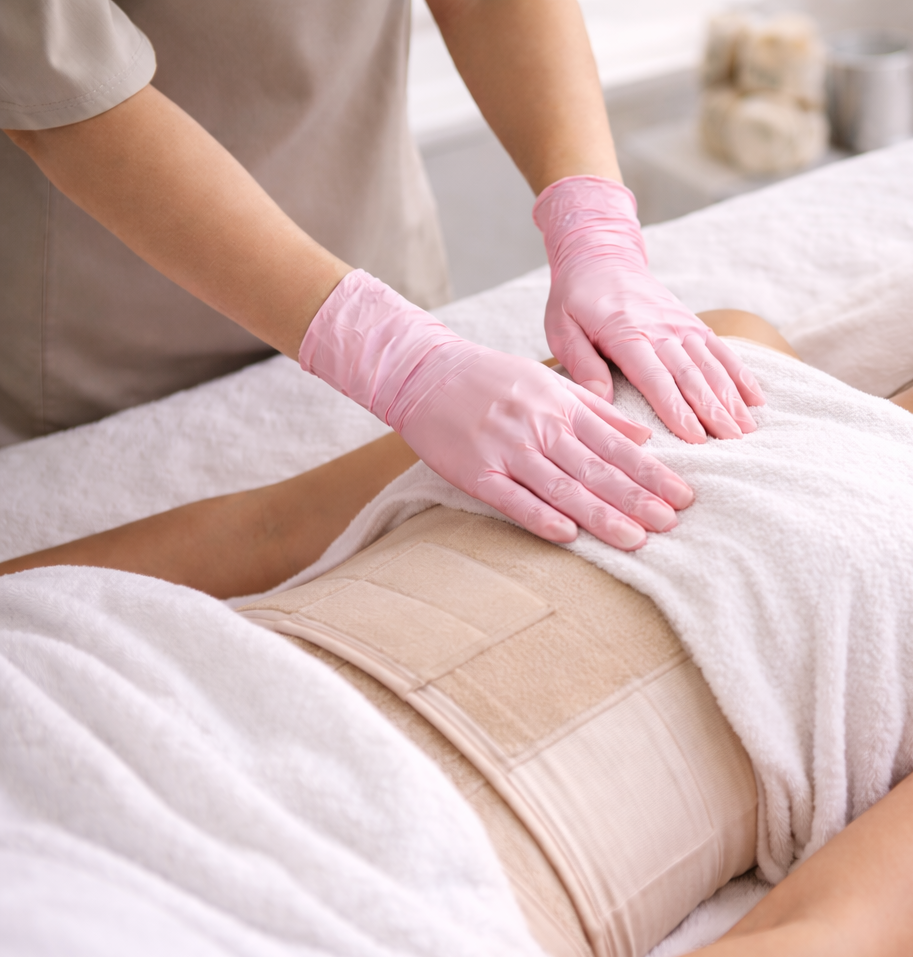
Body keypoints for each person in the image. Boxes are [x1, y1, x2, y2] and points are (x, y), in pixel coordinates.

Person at [1, 79, 913, 957]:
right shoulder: (712, 347)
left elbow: (827, 954)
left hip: (353, 880)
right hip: (110, 688)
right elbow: (266, 529)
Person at [0, 0, 761, 552]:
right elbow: (70, 93)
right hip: (120, 303)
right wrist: (395, 357)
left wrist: (592, 221)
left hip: (371, 237)